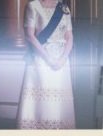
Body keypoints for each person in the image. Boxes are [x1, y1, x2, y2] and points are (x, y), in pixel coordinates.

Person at [16, 0, 76, 129]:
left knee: (58, 105)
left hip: (61, 62)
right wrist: (48, 58)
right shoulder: (33, 6)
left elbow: (69, 36)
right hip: (40, 59)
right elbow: (29, 35)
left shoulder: (63, 8)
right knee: (41, 103)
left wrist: (63, 58)